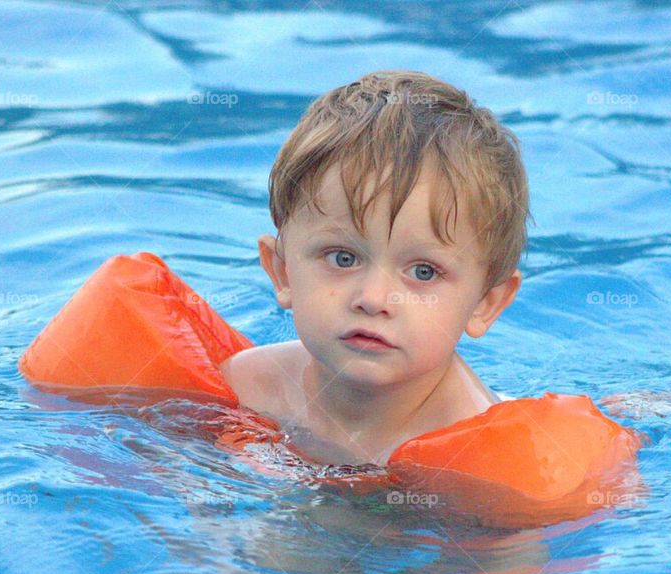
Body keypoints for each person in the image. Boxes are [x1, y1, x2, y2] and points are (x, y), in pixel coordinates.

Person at [218, 70, 531, 468]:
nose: (373, 299)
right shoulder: (245, 387)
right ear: (282, 272)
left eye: (423, 272)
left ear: (486, 303)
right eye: (342, 258)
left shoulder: (481, 453)